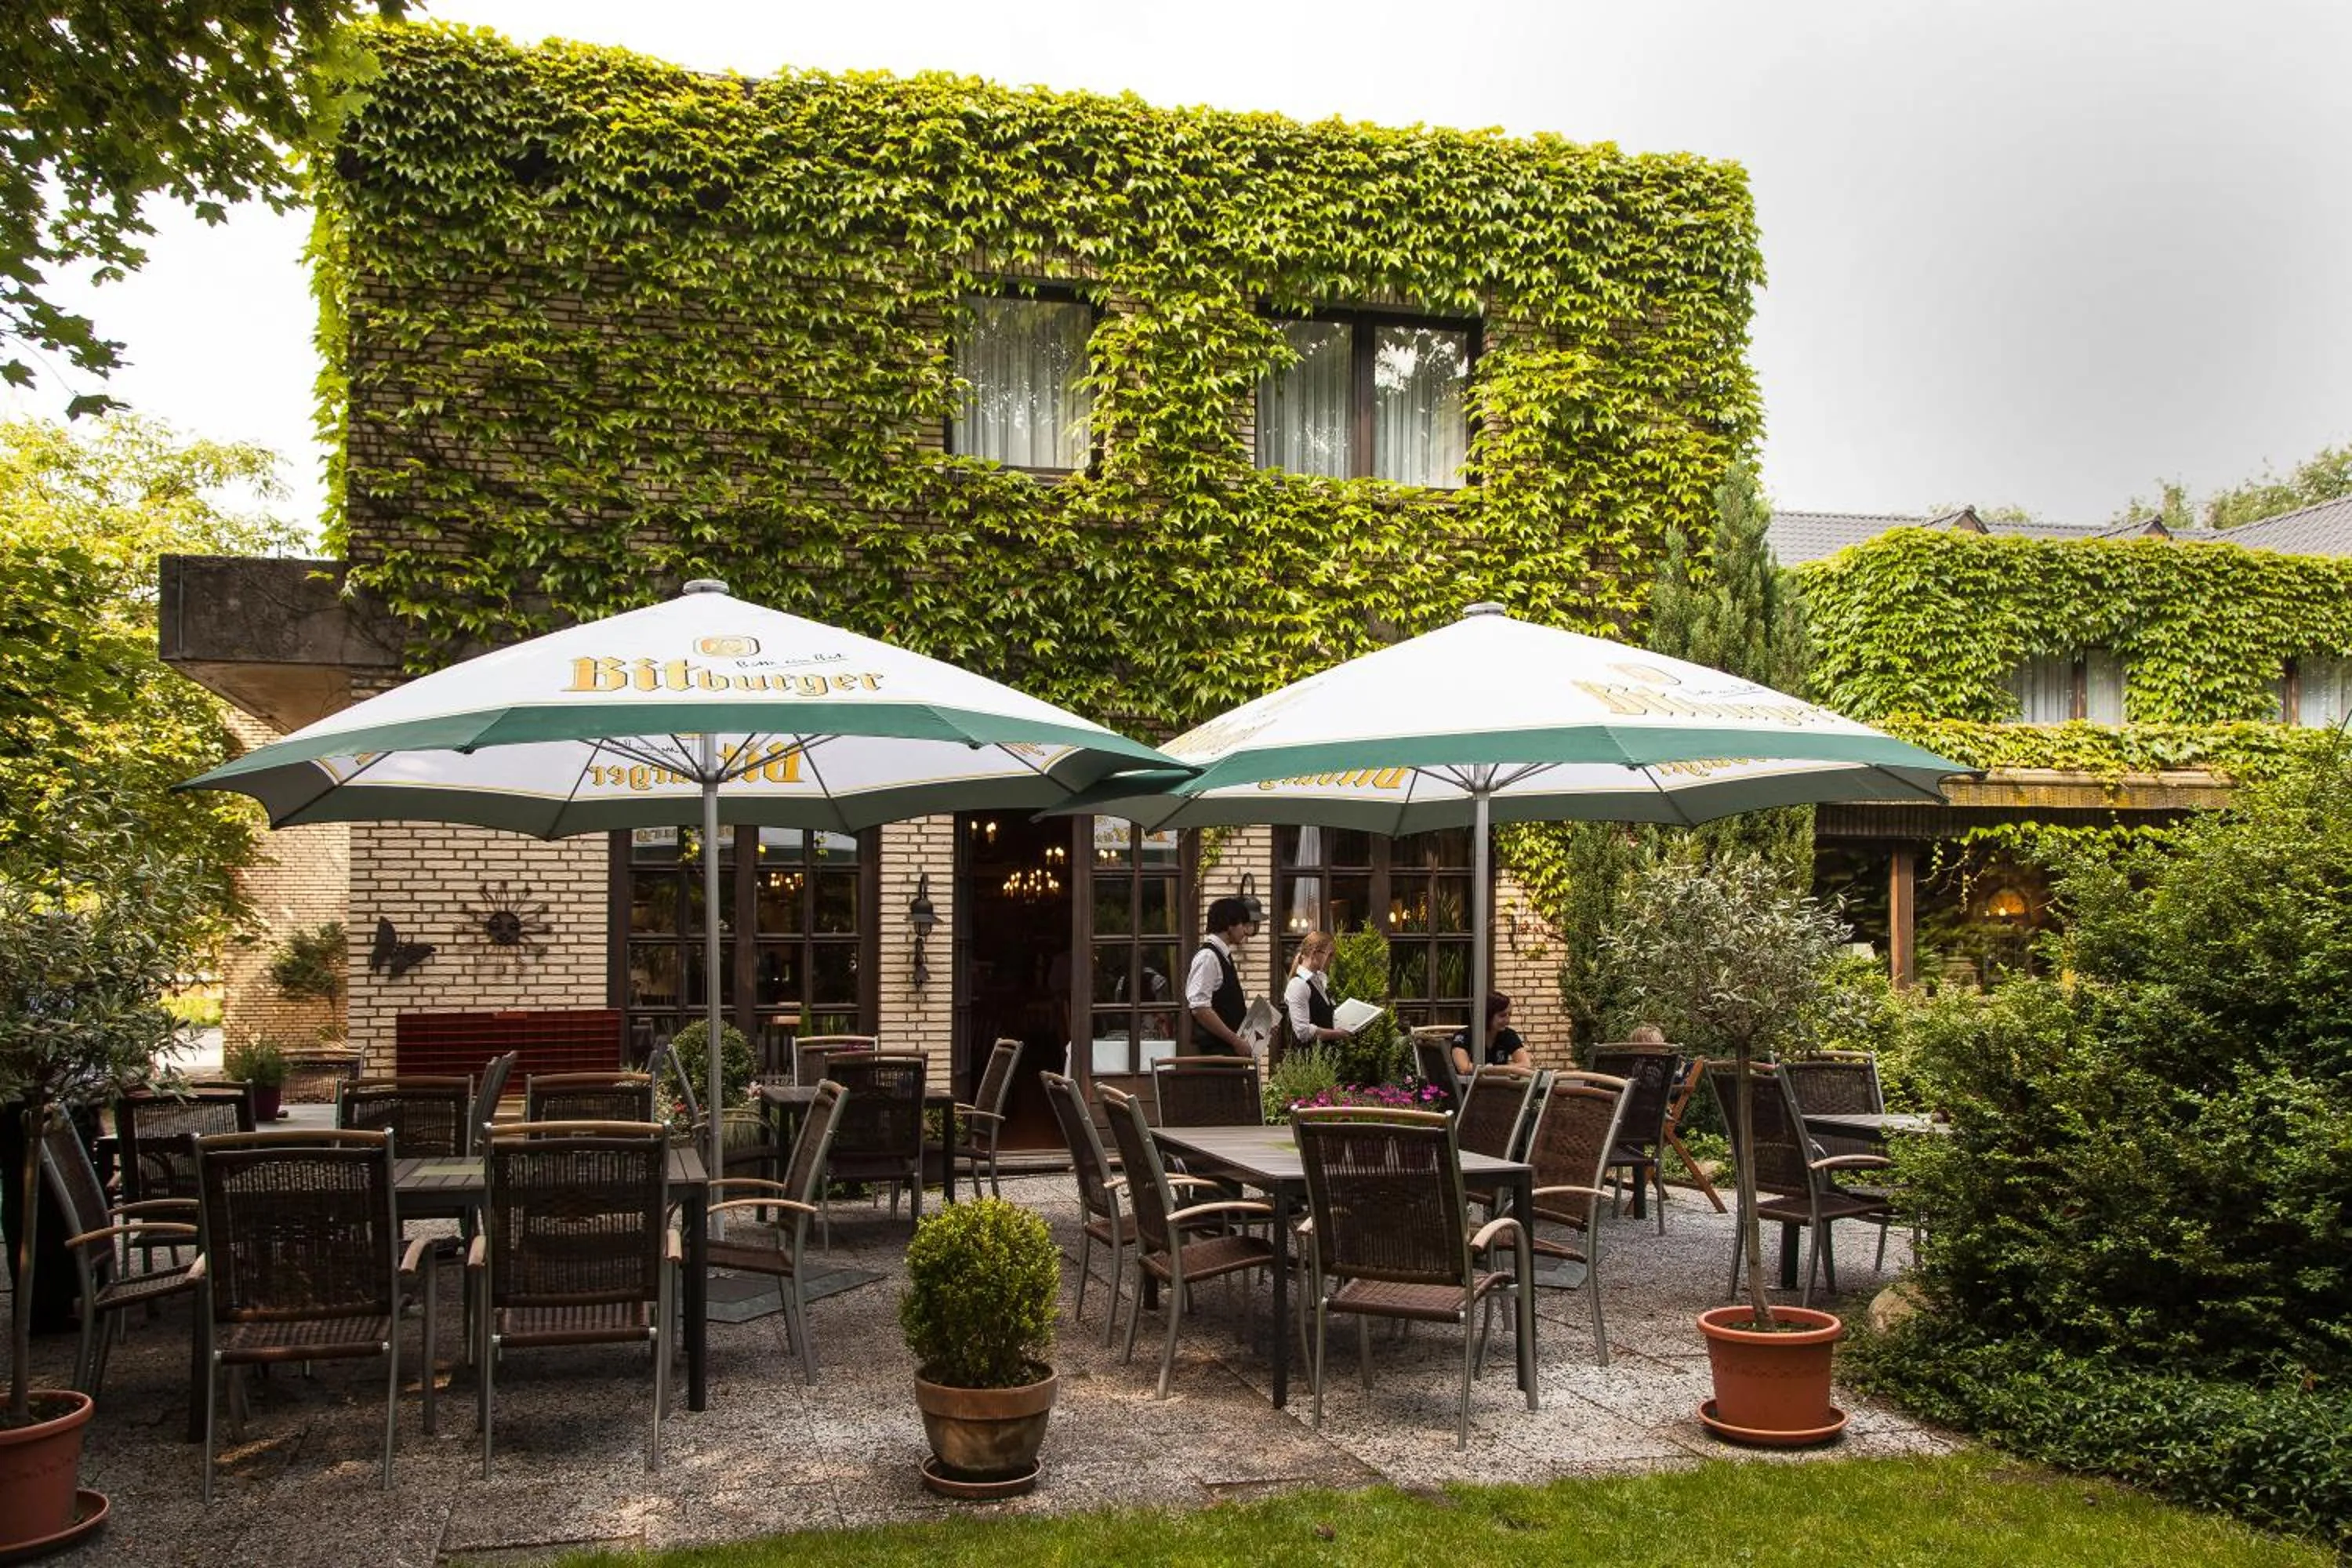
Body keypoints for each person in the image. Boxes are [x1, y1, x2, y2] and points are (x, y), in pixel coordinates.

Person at [1185, 895, 1259, 1055]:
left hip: (1227, 1052)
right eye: (1242, 924)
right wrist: (1235, 1041)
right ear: (1229, 926)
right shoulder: (1208, 957)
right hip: (1215, 1055)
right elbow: (1200, 1008)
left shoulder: (1222, 955)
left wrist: (1258, 1030)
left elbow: (1227, 1006)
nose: (1246, 931)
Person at [1283, 930, 1351, 1047]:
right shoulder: (1299, 985)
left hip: (1324, 1060)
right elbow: (1303, 1032)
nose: (1332, 960)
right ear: (1314, 953)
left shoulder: (1318, 981)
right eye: (1330, 955)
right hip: (1308, 1061)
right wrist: (1337, 1034)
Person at [1451, 991, 1530, 1077]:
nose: (1508, 1021)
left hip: (1499, 1087)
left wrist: (1490, 1070)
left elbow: (1526, 1065)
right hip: (1469, 1088)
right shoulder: (1463, 1036)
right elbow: (1464, 1068)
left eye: (1509, 1015)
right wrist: (1509, 1069)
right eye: (1502, 1016)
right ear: (1488, 1015)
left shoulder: (1509, 1034)